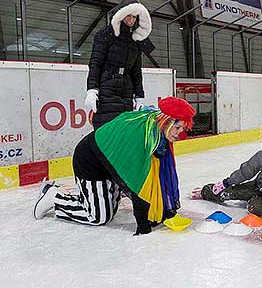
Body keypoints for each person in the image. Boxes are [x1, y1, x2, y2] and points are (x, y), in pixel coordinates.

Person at [33, 97, 196, 235]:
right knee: (98, 217)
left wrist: (167, 212)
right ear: (166, 121)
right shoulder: (141, 135)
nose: (180, 133)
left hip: (113, 162)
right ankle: (54, 197)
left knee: (108, 212)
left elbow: (159, 175)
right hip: (92, 161)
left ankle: (86, 198)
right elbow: (137, 181)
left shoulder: (158, 132)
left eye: (183, 128)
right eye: (177, 127)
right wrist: (143, 224)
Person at [85, 0, 154, 130]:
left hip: (126, 88)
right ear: (121, 13)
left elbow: (136, 70)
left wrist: (139, 95)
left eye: (134, 17)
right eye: (128, 15)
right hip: (107, 85)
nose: (131, 20)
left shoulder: (135, 40)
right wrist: (92, 90)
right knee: (107, 126)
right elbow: (95, 62)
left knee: (123, 129)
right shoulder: (106, 34)